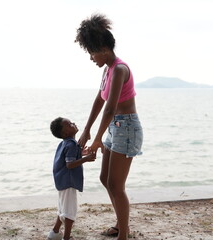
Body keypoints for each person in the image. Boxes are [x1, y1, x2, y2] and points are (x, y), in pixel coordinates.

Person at [75, 14, 143, 240]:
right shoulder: (107, 69)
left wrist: (97, 139)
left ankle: (123, 234)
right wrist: (86, 130)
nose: (91, 58)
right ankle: (120, 225)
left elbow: (111, 108)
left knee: (116, 185)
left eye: (92, 53)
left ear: (103, 49)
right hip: (115, 127)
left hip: (126, 127)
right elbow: (99, 100)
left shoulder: (120, 69)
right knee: (106, 180)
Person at [47, 117, 96, 240]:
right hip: (68, 181)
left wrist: (80, 154)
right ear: (66, 133)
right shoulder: (71, 144)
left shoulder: (65, 143)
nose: (73, 123)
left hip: (62, 180)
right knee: (69, 212)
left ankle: (54, 233)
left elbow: (67, 159)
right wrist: (86, 159)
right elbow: (69, 164)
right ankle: (66, 237)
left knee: (63, 208)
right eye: (69, 124)